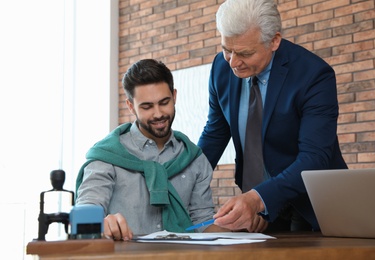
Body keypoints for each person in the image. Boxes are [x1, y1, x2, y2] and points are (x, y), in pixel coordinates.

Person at [198, 0, 348, 233]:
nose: (234, 62)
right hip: (262, 210)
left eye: (245, 53)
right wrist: (186, 181)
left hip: (313, 205)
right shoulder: (221, 67)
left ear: (274, 41)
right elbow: (215, 132)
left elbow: (315, 158)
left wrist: (258, 198)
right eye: (227, 49)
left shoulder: (314, 75)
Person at [76, 59, 226, 241]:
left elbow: (202, 222)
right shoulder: (107, 156)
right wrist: (101, 222)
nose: (158, 114)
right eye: (147, 107)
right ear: (131, 106)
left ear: (174, 96)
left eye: (164, 102)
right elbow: (87, 207)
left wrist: (235, 229)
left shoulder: (194, 158)